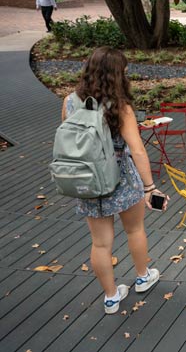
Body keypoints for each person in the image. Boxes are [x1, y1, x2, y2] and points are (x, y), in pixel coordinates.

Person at [61, 47, 165, 314]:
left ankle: (110, 297)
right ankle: (143, 276)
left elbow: (71, 142)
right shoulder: (120, 106)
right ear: (116, 74)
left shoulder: (70, 101)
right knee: (134, 230)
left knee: (100, 243)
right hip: (121, 178)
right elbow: (138, 149)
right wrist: (149, 187)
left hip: (87, 181)